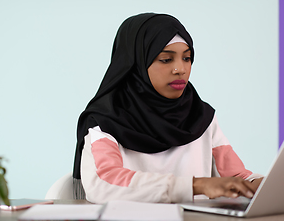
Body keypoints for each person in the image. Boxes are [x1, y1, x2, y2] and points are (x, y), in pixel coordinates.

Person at [72, 13, 263, 203]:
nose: (180, 69)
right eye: (166, 59)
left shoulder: (200, 117)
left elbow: (237, 178)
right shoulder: (105, 121)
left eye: (187, 58)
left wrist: (262, 185)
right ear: (136, 63)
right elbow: (105, 184)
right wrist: (195, 186)